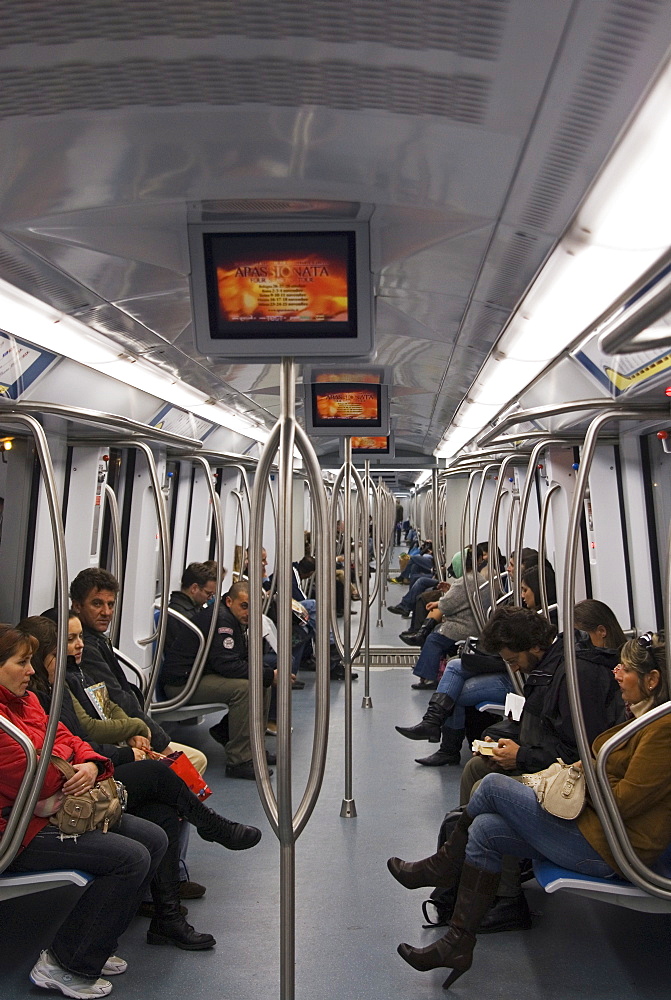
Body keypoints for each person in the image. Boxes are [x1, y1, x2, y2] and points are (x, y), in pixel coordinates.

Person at [387, 633, 671, 988]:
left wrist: (587, 773)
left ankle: (443, 865)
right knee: (486, 830)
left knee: (490, 787)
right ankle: (457, 943)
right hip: (595, 827)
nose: (615, 673)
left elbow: (624, 802)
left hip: (613, 847)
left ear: (653, 680)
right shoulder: (641, 719)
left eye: (625, 669)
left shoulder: (662, 730)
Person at [20, 614, 263, 951]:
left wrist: (98, 756)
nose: (73, 650)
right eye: (59, 650)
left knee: (160, 810)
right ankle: (210, 826)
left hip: (86, 771)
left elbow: (75, 738)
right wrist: (110, 758)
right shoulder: (35, 697)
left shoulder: (54, 687)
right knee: (158, 774)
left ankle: (168, 917)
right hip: (70, 790)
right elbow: (63, 749)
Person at [0, 623, 167, 998]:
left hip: (42, 813)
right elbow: (37, 778)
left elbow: (66, 738)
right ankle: (67, 964)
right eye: (22, 662)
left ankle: (93, 940)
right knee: (130, 858)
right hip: (14, 830)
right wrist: (63, 766)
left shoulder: (23, 700)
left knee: (154, 839)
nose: (31, 671)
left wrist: (90, 764)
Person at [66, 568, 207, 773]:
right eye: (97, 604)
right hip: (106, 738)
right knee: (193, 762)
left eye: (111, 604)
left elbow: (112, 701)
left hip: (122, 727)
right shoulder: (86, 648)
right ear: (77, 606)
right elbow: (116, 698)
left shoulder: (97, 640)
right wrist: (160, 743)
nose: (106, 612)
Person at [163, 582, 275, 780]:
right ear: (229, 601)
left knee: (260, 682)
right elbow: (227, 665)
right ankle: (239, 760)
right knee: (247, 688)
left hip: (200, 675)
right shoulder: (222, 620)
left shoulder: (231, 617)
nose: (249, 612)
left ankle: (248, 745)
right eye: (245, 606)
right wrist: (267, 674)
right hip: (183, 684)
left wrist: (266, 674)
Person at [405, 547, 488, 690]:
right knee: (436, 632)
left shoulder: (464, 582)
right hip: (475, 623)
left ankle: (429, 677)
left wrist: (443, 599)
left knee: (434, 639)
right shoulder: (478, 579)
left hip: (464, 626)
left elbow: (447, 605)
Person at [166, 562, 218, 651]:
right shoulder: (182, 617)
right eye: (208, 593)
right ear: (194, 588)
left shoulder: (192, 609)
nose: (210, 598)